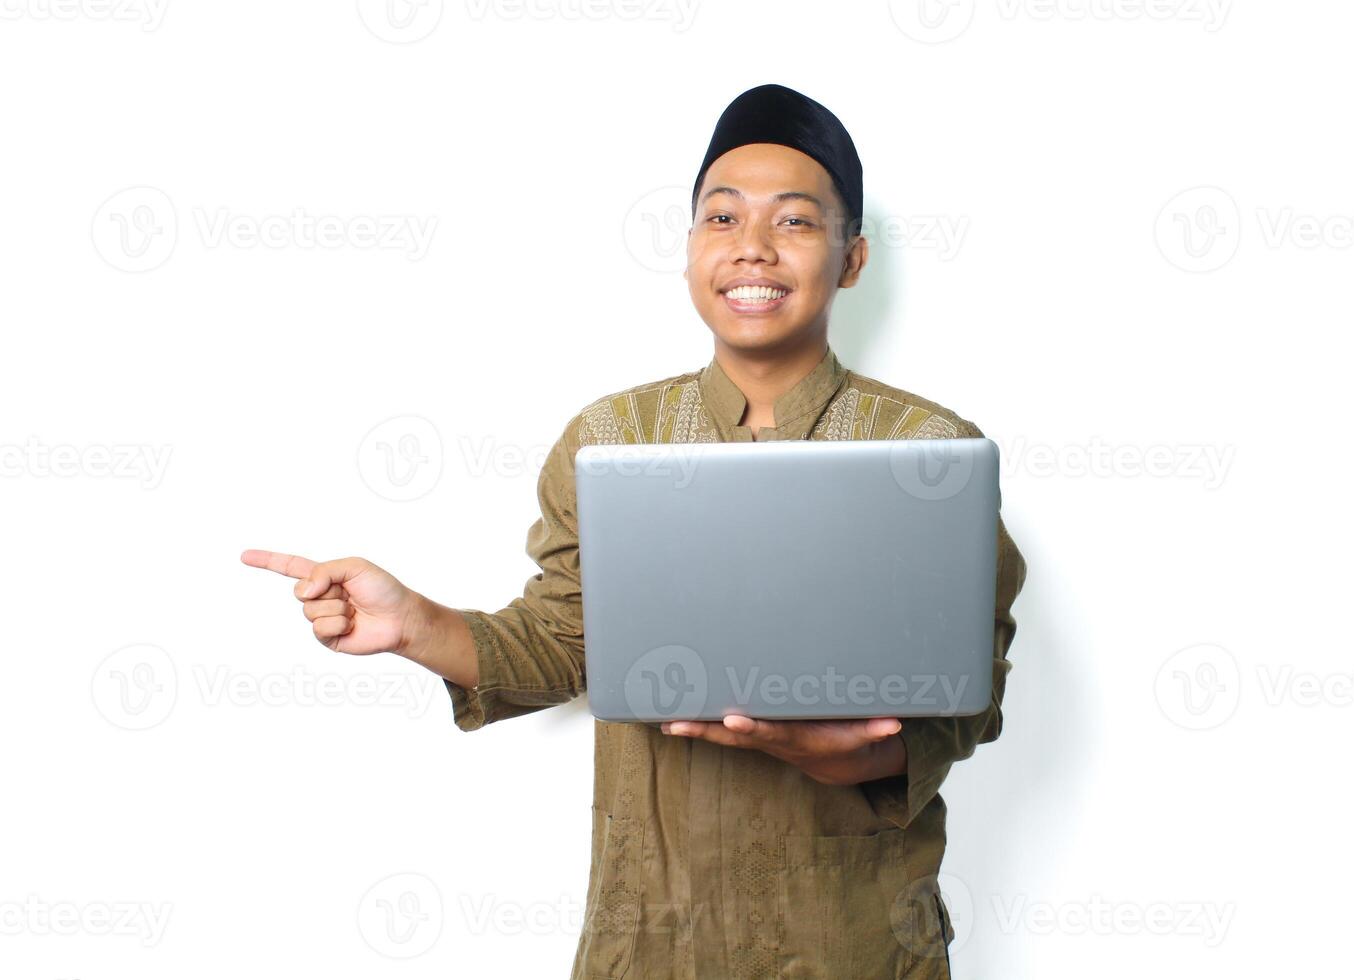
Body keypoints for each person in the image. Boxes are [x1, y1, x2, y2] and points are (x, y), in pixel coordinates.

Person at [242, 82, 1027, 980]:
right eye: (721, 218)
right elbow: (565, 647)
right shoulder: (611, 438)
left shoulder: (929, 453)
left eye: (796, 222)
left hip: (850, 938)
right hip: (653, 942)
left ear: (851, 259)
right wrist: (415, 624)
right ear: (692, 248)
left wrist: (846, 755)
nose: (752, 248)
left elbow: (967, 702)